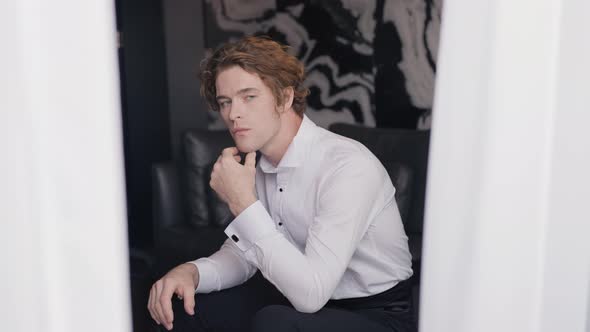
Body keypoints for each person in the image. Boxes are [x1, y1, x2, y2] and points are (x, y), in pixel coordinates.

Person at [147, 35, 415, 332]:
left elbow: (311, 295)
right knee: (182, 308)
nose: (233, 114)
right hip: (299, 298)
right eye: (225, 102)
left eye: (249, 96)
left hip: (377, 314)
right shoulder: (259, 164)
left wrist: (242, 201)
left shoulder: (347, 167)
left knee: (274, 322)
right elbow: (244, 255)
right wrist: (191, 272)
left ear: (285, 98)